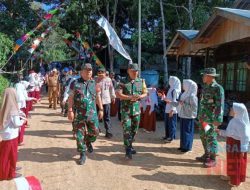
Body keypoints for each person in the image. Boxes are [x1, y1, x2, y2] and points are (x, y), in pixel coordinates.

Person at [67, 63, 103, 165]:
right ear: (81, 72)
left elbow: (98, 97)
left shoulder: (95, 83)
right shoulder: (75, 83)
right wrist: (70, 111)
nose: (89, 72)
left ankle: (88, 141)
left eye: (90, 70)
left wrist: (101, 109)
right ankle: (82, 153)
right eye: (87, 70)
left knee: (95, 133)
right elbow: (70, 98)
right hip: (79, 114)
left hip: (92, 114)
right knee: (79, 135)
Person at [116, 63, 147, 159]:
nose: (135, 73)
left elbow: (145, 92)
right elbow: (118, 94)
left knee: (134, 130)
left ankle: (130, 145)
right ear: (128, 71)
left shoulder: (141, 81)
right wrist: (130, 97)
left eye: (136, 71)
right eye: (133, 71)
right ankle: (128, 150)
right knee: (127, 130)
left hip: (136, 110)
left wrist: (140, 96)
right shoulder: (122, 81)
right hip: (126, 111)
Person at [196, 68, 224, 168]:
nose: (203, 77)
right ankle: (206, 154)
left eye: (204, 75)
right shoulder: (205, 87)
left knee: (211, 137)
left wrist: (218, 119)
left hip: (211, 119)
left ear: (209, 76)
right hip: (203, 117)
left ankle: (213, 159)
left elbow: (220, 105)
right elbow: (202, 103)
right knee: (203, 136)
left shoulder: (217, 88)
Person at [217, 103, 250, 187]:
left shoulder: (242, 124)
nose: (230, 110)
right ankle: (231, 176)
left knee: (237, 162)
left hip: (238, 145)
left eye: (232, 109)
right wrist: (220, 131)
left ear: (237, 112)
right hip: (231, 142)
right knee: (230, 160)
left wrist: (243, 150)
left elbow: (245, 137)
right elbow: (229, 133)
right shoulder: (233, 120)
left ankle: (236, 181)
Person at [0, 88, 26, 180]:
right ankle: (9, 173)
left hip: (5, 134)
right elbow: (17, 123)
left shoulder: (4, 106)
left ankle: (10, 168)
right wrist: (22, 120)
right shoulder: (13, 108)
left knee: (5, 154)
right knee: (11, 155)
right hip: (11, 136)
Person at [167, 79, 198, 152]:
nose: (183, 85)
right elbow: (178, 103)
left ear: (189, 86)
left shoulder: (192, 96)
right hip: (182, 115)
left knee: (187, 131)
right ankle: (183, 146)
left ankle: (187, 147)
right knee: (183, 132)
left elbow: (194, 108)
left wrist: (183, 104)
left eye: (185, 84)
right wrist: (170, 102)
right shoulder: (184, 94)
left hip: (189, 116)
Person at [95, 66, 116, 138]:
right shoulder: (94, 80)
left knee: (107, 117)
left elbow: (111, 89)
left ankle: (108, 131)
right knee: (96, 116)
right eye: (99, 73)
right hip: (97, 101)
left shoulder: (108, 80)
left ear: (105, 73)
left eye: (102, 73)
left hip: (106, 100)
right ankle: (96, 129)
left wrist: (113, 96)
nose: (100, 74)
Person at [162, 76, 181, 143]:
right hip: (167, 108)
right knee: (167, 124)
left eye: (171, 80)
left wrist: (172, 110)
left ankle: (171, 137)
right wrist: (163, 97)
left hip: (171, 110)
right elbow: (168, 99)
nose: (169, 81)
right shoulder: (171, 89)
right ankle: (167, 135)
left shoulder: (175, 90)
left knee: (172, 124)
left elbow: (174, 101)